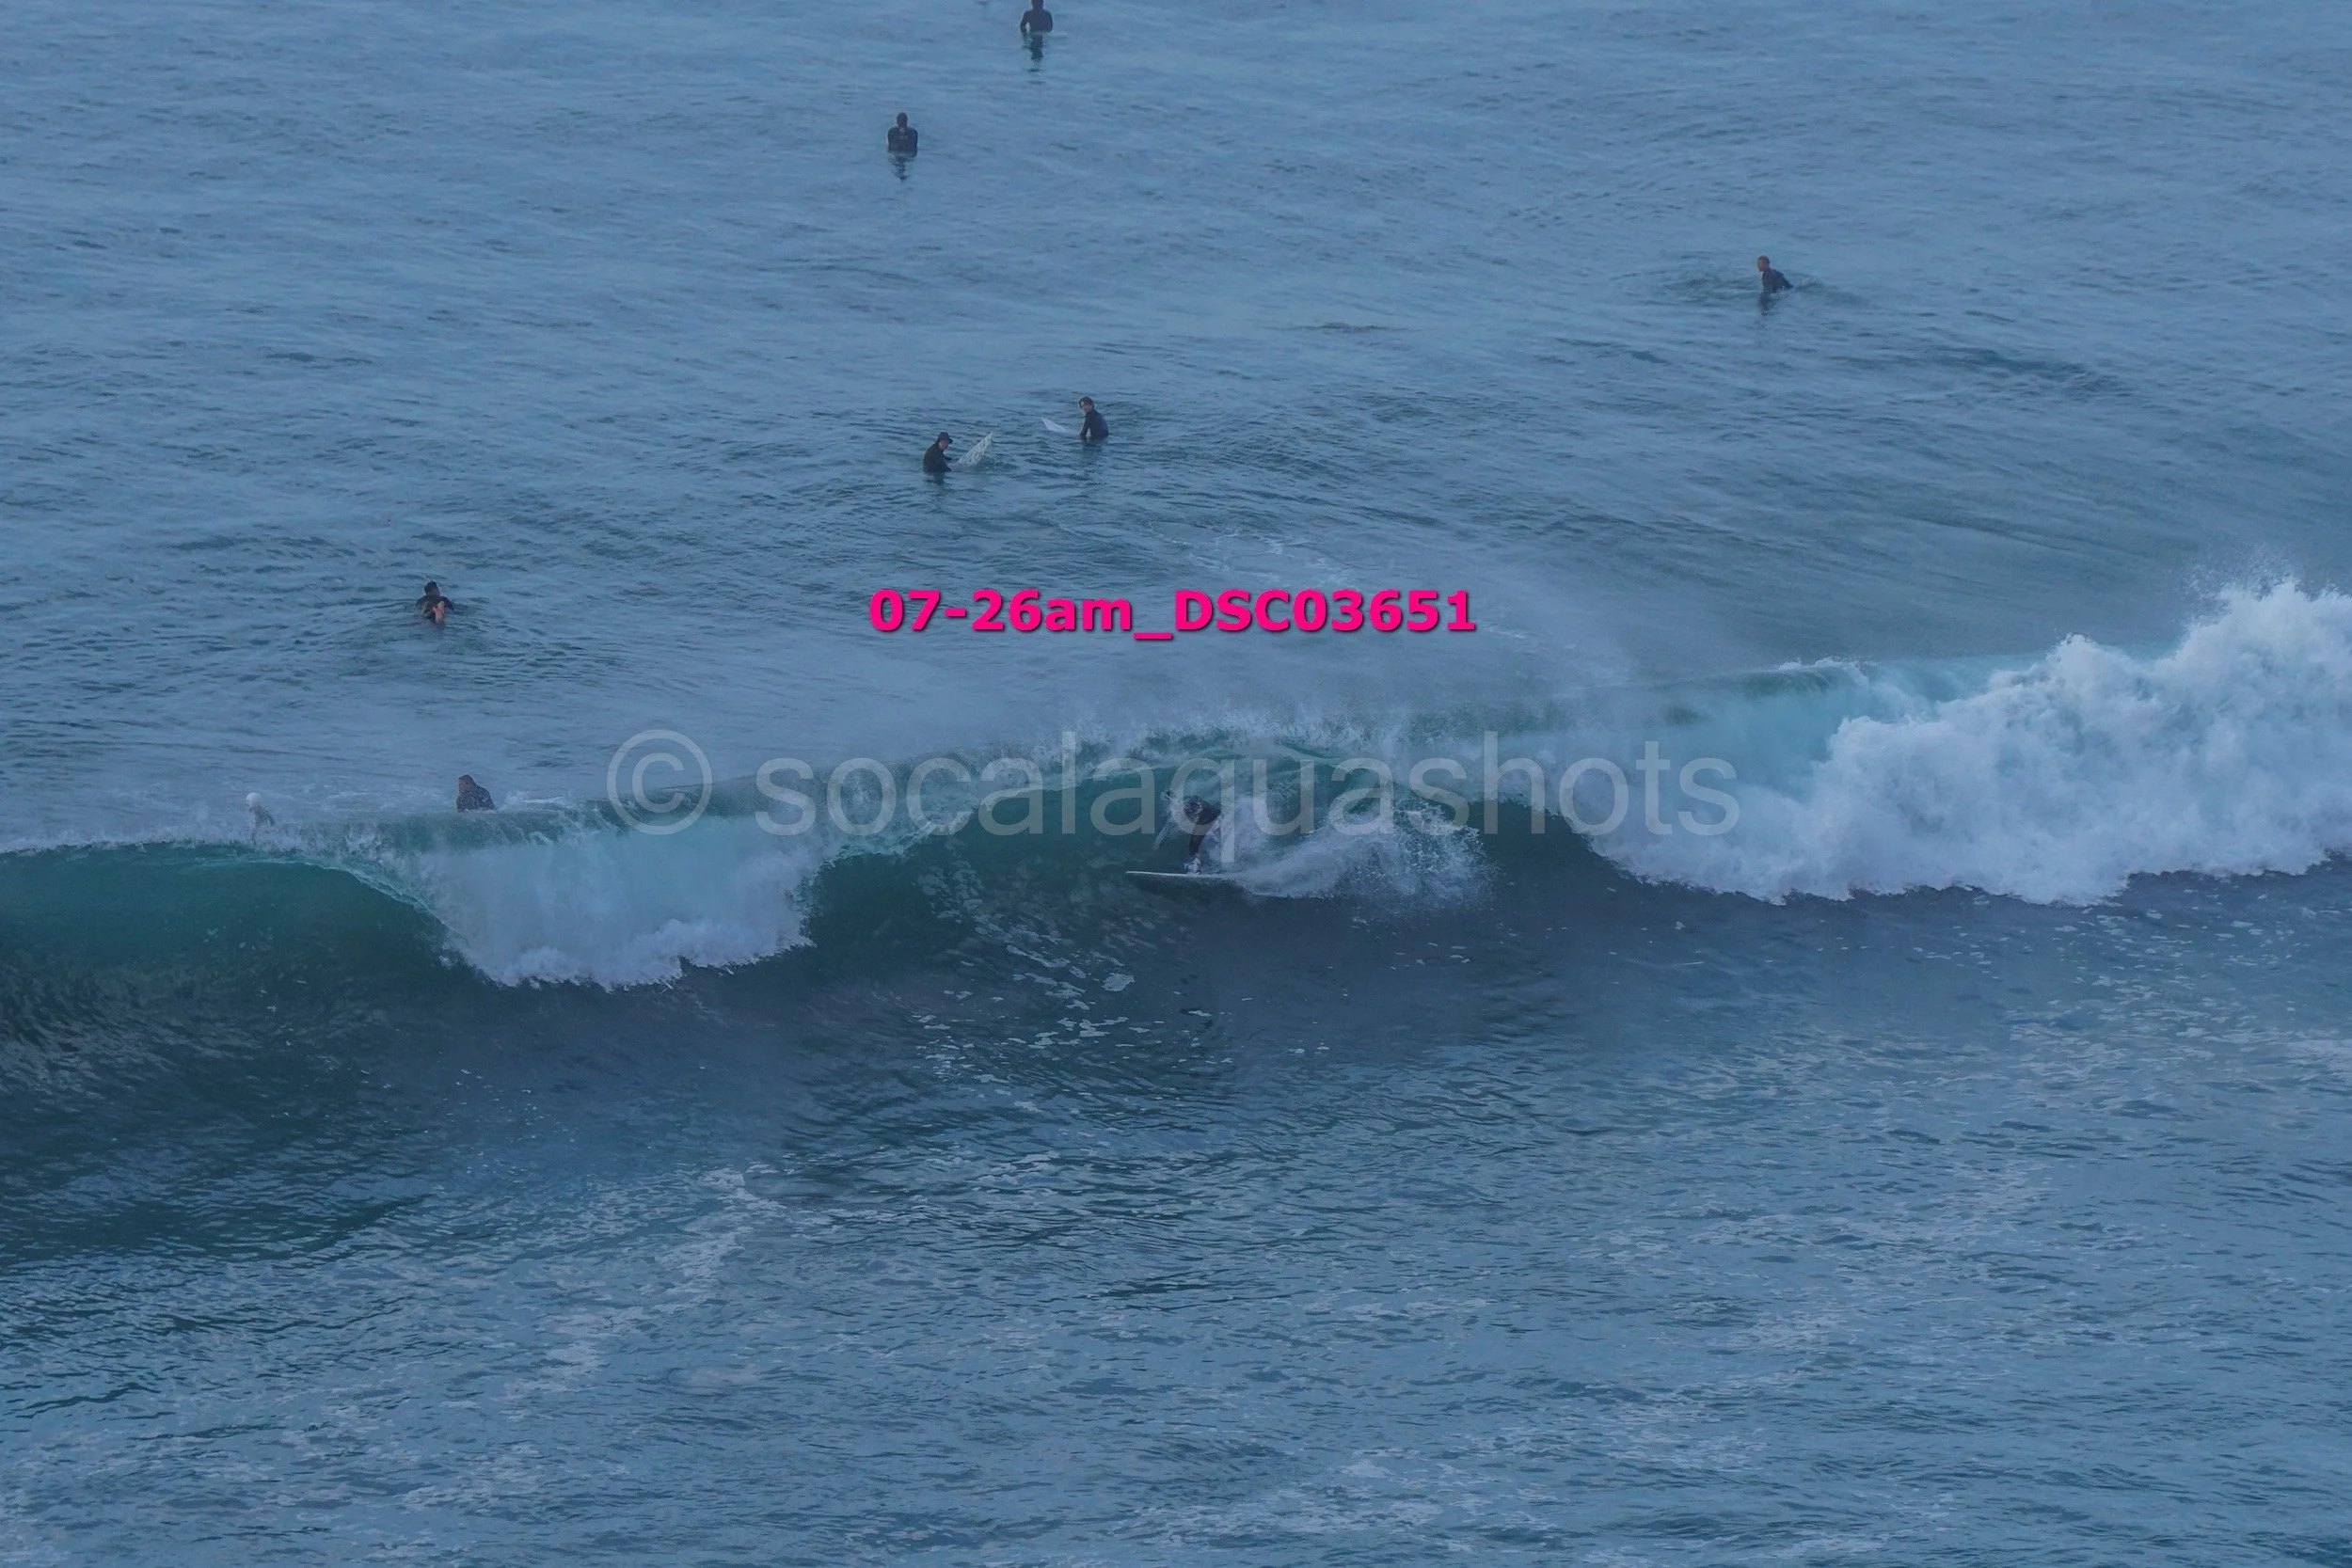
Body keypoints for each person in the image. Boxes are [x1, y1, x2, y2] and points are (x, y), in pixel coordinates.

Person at [1175, 796, 1221, 872]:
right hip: (1215, 816)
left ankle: (1195, 868)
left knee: (1194, 844)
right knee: (1195, 843)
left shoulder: (1186, 804)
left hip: (1211, 817)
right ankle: (1199, 866)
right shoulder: (1189, 802)